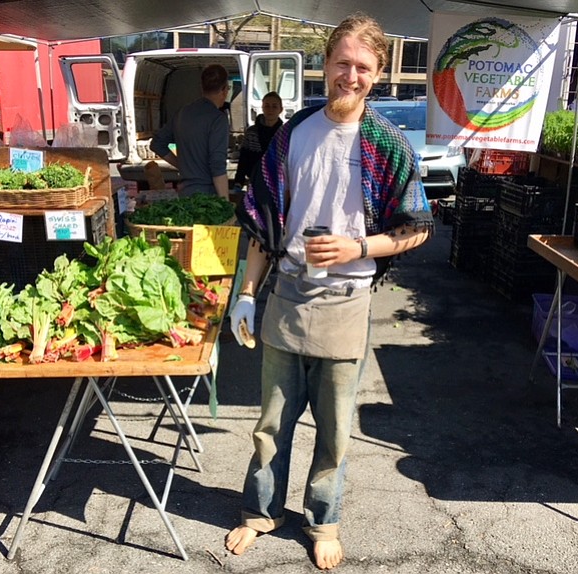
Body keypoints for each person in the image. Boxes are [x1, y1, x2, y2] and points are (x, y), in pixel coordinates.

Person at [225, 12, 434, 571]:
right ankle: (259, 512)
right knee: (271, 422)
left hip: (347, 302)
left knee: (335, 430)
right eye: (342, 62)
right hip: (287, 295)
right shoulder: (294, 132)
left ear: (379, 73)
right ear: (324, 65)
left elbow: (416, 228)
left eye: (363, 66)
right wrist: (246, 293)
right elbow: (264, 225)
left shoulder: (388, 145)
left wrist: (357, 247)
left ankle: (323, 520)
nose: (351, 75)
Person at [150, 64, 230, 199]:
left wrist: (183, 166)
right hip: (208, 198)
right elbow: (217, 165)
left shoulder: (182, 113)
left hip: (185, 193)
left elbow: (157, 144)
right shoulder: (218, 119)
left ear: (201, 88)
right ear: (225, 90)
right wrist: (226, 203)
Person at [233, 91, 284, 191]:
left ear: (281, 109)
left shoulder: (284, 133)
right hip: (254, 181)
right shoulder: (252, 132)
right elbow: (244, 158)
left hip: (277, 184)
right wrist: (239, 181)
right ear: (262, 107)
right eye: (267, 106)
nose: (270, 109)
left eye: (274, 106)